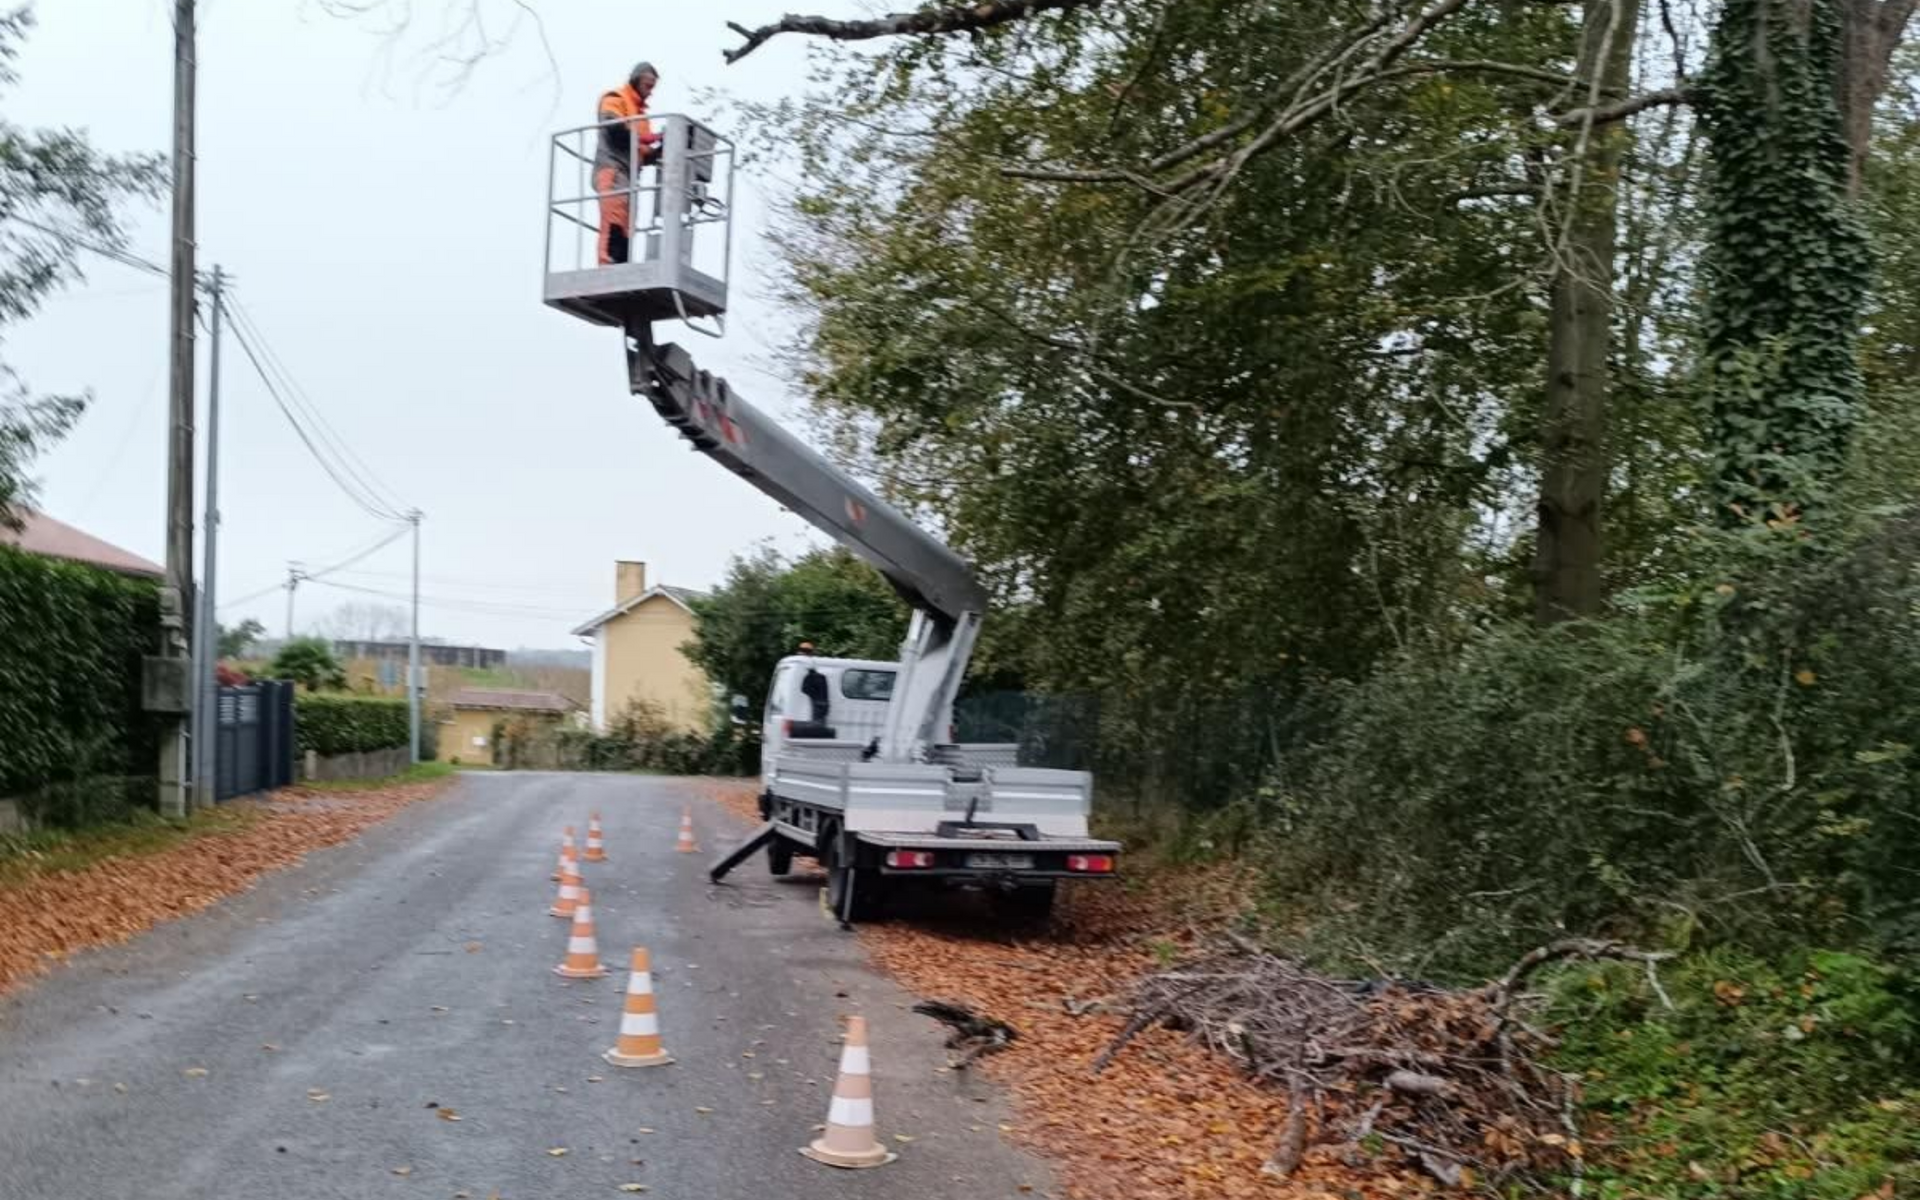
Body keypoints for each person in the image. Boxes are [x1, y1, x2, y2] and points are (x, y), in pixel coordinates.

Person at [595, 61, 662, 266]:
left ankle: (620, 269)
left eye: (653, 87)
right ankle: (608, 271)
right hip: (612, 170)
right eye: (648, 86)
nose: (650, 92)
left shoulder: (641, 116)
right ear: (636, 80)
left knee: (626, 228)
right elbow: (613, 129)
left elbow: (642, 153)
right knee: (614, 222)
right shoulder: (615, 98)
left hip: (630, 176)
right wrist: (647, 139)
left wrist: (661, 148)